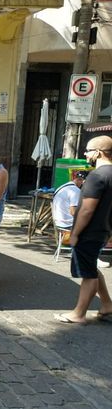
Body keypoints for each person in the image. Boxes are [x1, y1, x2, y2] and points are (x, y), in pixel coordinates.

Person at [55, 136, 112, 324]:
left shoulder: (97, 176)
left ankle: (79, 313)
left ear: (98, 152)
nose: (86, 154)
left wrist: (76, 233)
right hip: (103, 229)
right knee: (91, 268)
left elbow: (87, 209)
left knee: (87, 274)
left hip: (90, 230)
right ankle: (107, 304)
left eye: (88, 150)